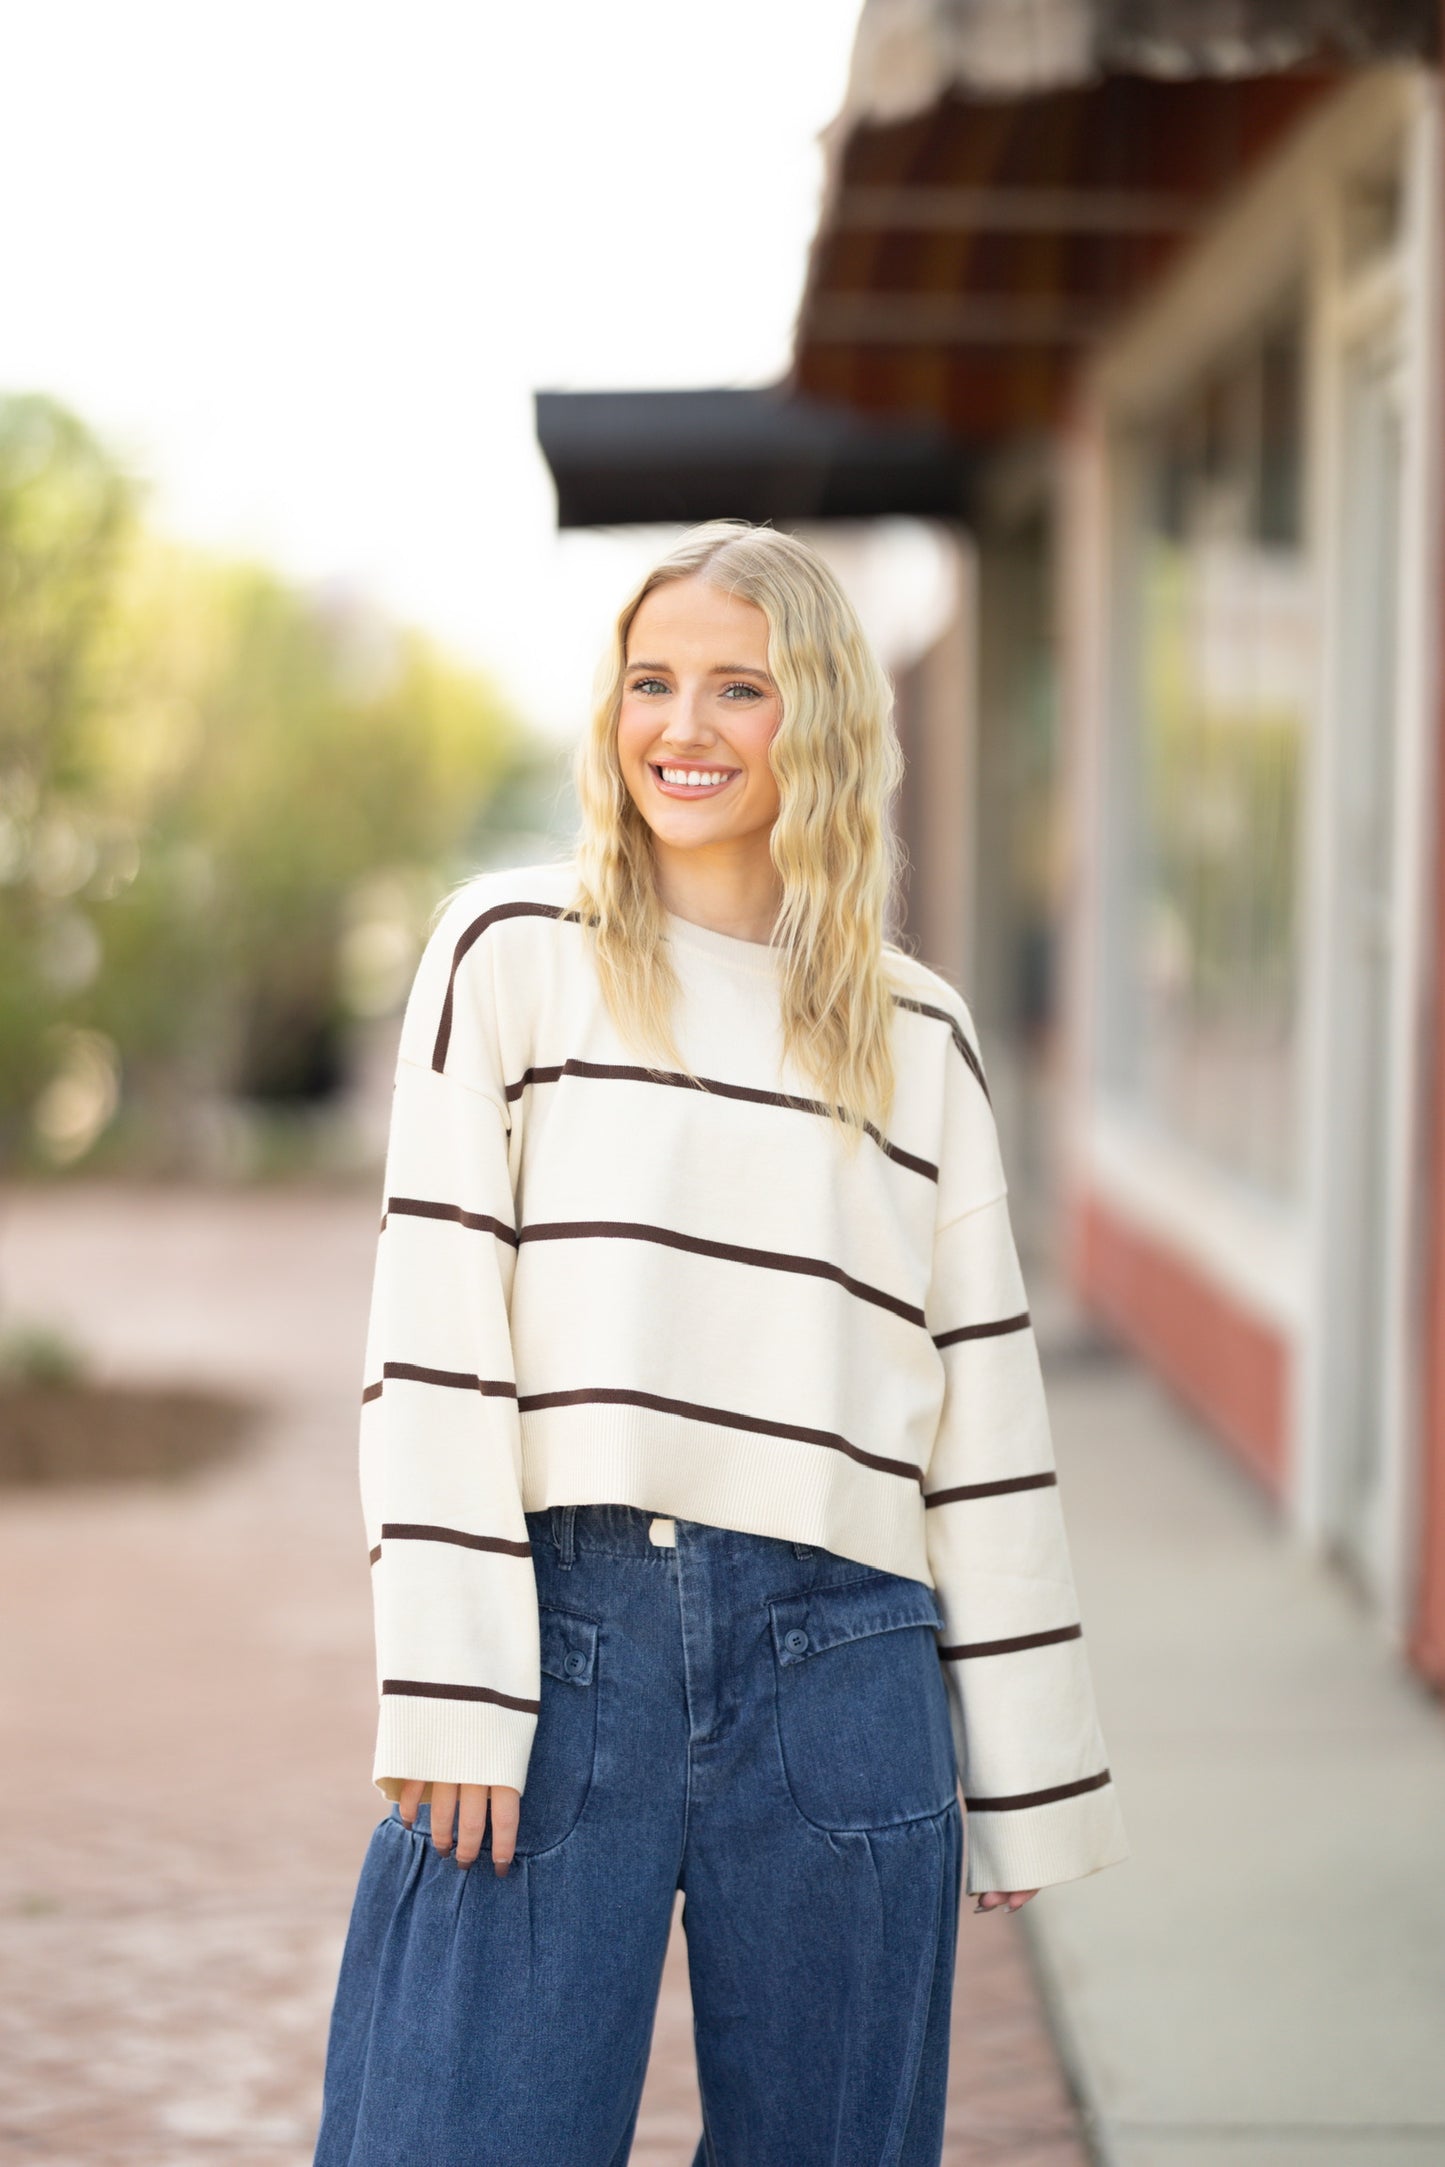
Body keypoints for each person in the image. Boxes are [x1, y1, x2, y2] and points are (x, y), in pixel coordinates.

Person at [312, 521, 1130, 2167]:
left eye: (737, 689)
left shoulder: (918, 1036)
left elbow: (977, 1404)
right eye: (651, 683)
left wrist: (1024, 1760)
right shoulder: (510, 956)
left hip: (846, 1670)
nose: (682, 729)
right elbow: (432, 1341)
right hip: (564, 1650)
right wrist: (457, 1686)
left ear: (817, 719)